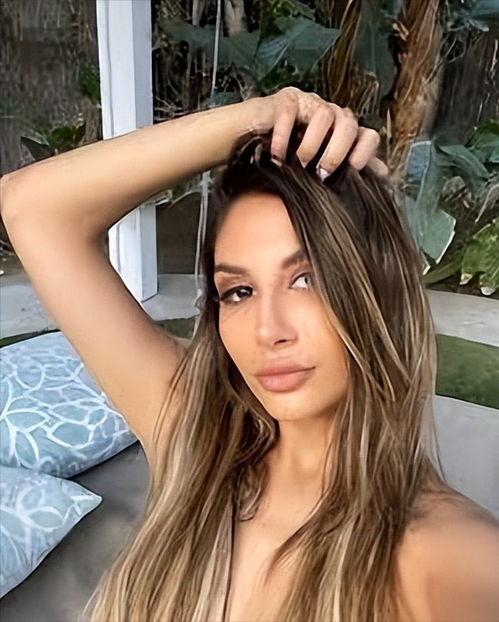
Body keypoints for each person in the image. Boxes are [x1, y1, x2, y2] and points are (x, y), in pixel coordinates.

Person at [1, 87, 498, 622]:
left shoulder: (453, 558)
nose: (268, 331)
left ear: (380, 293)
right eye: (239, 291)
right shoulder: (199, 441)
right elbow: (33, 206)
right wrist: (263, 117)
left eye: (307, 279)